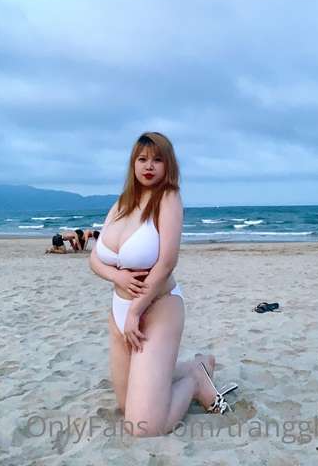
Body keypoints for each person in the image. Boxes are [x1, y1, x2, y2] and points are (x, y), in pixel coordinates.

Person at [89, 132, 238, 437]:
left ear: (168, 165)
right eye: (142, 159)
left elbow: (167, 263)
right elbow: (95, 258)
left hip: (157, 308)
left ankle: (195, 381)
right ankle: (193, 367)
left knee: (143, 426)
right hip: (119, 310)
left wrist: (136, 311)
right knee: (126, 406)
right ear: (133, 163)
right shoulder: (121, 204)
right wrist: (116, 276)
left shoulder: (168, 199)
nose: (149, 166)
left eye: (157, 160)